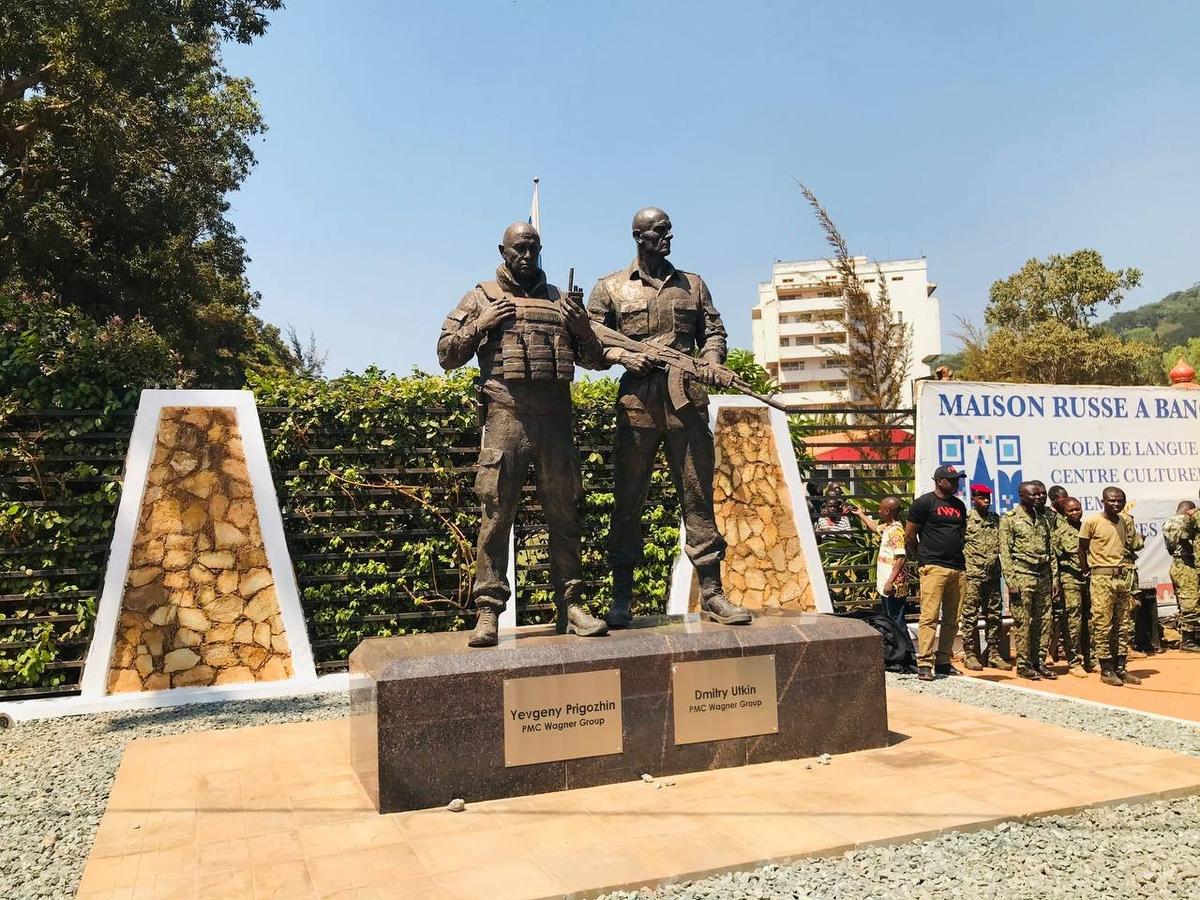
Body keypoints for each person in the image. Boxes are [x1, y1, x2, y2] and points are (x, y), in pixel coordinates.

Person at [438, 222, 609, 647]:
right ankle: (487, 611)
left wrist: (581, 324)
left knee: (564, 515)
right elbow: (445, 354)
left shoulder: (559, 299)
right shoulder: (481, 296)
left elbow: (596, 360)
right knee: (496, 518)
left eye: (534, 248)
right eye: (519, 248)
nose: (527, 256)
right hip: (506, 418)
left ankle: (571, 604)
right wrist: (481, 323)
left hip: (555, 421)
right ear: (502, 249)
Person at [588, 207, 751, 627]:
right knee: (628, 503)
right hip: (637, 408)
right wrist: (623, 355)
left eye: (669, 230)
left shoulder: (692, 286)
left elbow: (713, 332)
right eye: (659, 231)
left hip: (687, 408)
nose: (668, 236)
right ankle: (621, 598)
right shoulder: (609, 288)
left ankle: (712, 594)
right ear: (638, 236)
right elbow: (588, 346)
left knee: (698, 501)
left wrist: (712, 360)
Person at [905, 465, 967, 681]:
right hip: (933, 567)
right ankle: (924, 663)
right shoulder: (924, 503)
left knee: (953, 619)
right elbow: (910, 535)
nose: (956, 483)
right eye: (951, 480)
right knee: (929, 617)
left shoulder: (959, 506)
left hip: (958, 568)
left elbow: (960, 535)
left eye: (957, 479)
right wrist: (921, 558)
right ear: (939, 481)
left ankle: (943, 662)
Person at [1079, 487, 1141, 686]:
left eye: (1120, 501)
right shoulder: (1092, 522)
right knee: (1103, 624)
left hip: (1122, 577)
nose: (1116, 504)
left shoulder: (1124, 521)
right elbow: (1081, 548)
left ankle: (1121, 667)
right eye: (1112, 500)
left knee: (1123, 624)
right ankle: (1106, 668)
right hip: (1101, 578)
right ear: (1103, 501)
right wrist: (1086, 569)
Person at [999, 481, 1058, 681]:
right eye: (1034, 495)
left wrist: (1054, 579)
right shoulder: (1009, 519)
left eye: (1042, 494)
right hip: (1022, 573)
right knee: (1024, 622)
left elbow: (1051, 551)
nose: (1040, 497)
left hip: (1043, 574)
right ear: (1022, 496)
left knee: (1044, 620)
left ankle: (1039, 662)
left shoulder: (1044, 518)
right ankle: (1023, 665)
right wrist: (1011, 581)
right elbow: (1005, 553)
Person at [959, 484, 1005, 671]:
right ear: (973, 499)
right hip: (973, 575)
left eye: (988, 497)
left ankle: (993, 652)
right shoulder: (967, 519)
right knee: (970, 615)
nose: (986, 500)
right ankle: (970, 653)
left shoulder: (995, 519)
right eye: (982, 497)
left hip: (993, 574)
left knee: (994, 614)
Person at [854, 497, 908, 628]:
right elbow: (875, 528)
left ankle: (904, 647)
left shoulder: (896, 531)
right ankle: (896, 647)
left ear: (888, 511)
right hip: (888, 581)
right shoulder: (888, 527)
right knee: (891, 617)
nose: (879, 511)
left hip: (894, 584)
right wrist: (861, 514)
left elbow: (900, 557)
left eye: (881, 509)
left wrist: (890, 581)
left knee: (896, 620)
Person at [1050, 497, 1088, 676]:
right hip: (1070, 579)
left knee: (1090, 619)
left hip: (1089, 578)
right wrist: (1056, 582)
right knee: (1073, 620)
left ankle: (1090, 657)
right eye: (1071, 510)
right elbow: (1055, 560)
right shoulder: (1059, 533)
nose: (1075, 513)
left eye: (1077, 509)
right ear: (1064, 513)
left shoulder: (1087, 528)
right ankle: (1073, 661)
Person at [1163, 500, 1199, 652]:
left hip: (1178, 564)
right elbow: (1185, 541)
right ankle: (1188, 641)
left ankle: (1189, 637)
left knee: (1185, 602)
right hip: (1187, 565)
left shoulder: (1167, 522)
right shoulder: (1183, 521)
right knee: (1190, 603)